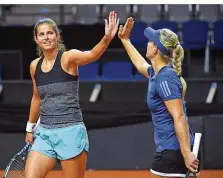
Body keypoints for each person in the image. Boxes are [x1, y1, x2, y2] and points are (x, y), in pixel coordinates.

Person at [24, 11, 119, 178]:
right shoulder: (34, 66)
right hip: (45, 134)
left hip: (71, 133)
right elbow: (36, 97)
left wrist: (107, 38)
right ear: (36, 39)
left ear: (57, 35)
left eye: (50, 33)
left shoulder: (68, 58)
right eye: (42, 34)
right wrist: (30, 128)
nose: (46, 37)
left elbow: (92, 55)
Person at [118, 17, 199, 178]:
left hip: (173, 152)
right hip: (173, 150)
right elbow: (141, 65)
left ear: (155, 49)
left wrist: (186, 153)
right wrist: (125, 40)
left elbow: (179, 117)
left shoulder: (165, 78)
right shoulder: (157, 73)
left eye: (150, 41)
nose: (147, 44)